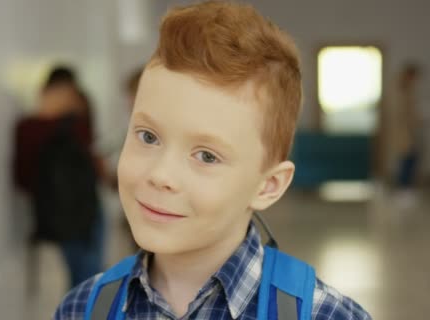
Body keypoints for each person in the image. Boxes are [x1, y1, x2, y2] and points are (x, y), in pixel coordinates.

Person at [53, 2, 371, 319]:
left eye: (206, 156)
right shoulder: (81, 309)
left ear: (268, 186)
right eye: (148, 136)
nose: (161, 175)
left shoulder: (326, 315)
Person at [13, 66, 102, 289]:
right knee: (84, 278)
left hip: (81, 209)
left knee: (87, 274)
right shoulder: (30, 127)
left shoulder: (73, 122)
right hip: (67, 211)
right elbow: (22, 175)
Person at [392, 63, 422, 207]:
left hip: (408, 131)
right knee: (406, 160)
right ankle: (403, 190)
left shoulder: (408, 90)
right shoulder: (401, 90)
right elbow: (403, 113)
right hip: (404, 132)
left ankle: (406, 189)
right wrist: (414, 120)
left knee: (410, 159)